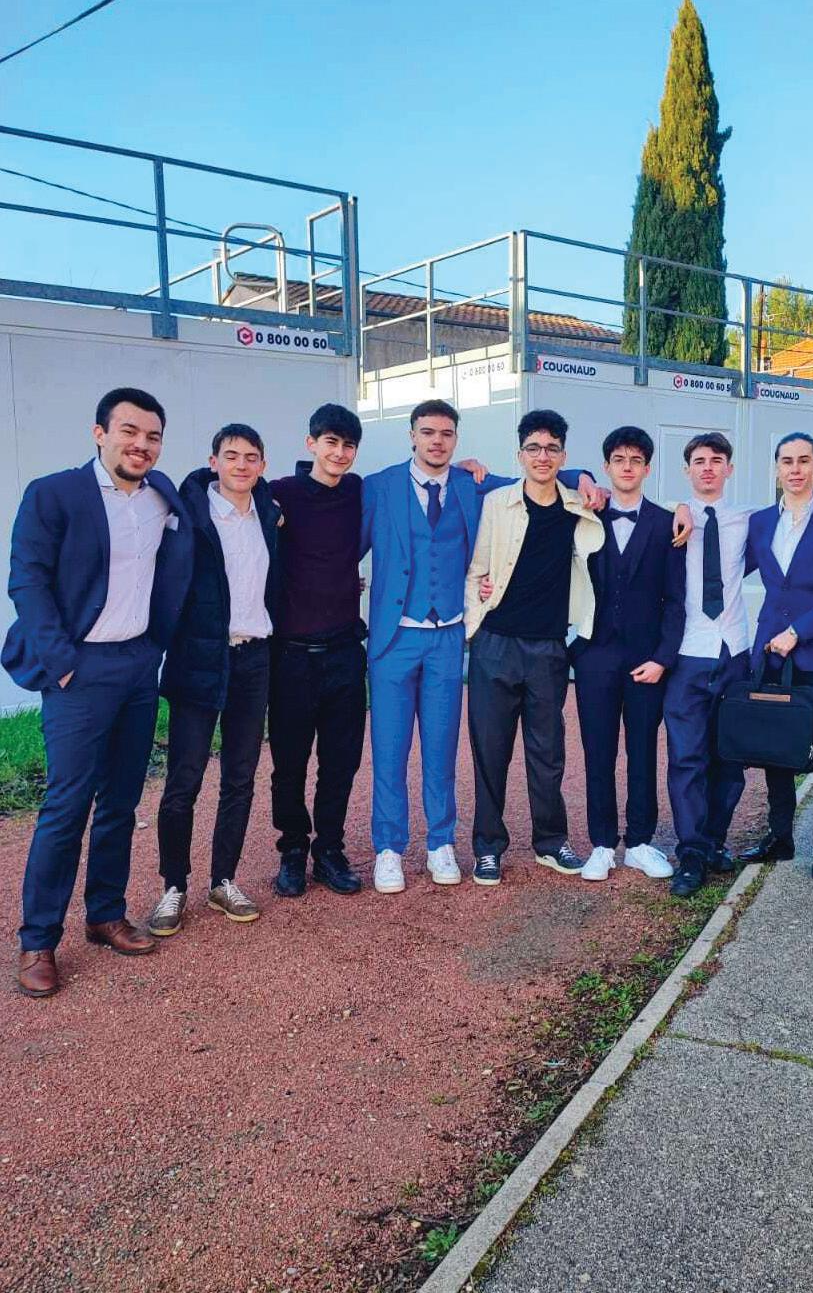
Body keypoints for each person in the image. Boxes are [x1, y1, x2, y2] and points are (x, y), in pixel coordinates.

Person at [361, 398, 600, 894]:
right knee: (389, 749)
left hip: (449, 637)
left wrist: (584, 475)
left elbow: (542, 475)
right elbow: (340, 538)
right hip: (395, 638)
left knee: (442, 750)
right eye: (428, 432)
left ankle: (441, 842)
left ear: (456, 438)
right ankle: (389, 848)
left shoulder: (475, 486)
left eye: (446, 433)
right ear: (412, 435)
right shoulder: (379, 486)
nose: (437, 441)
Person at [5, 388, 191, 998]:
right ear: (99, 433)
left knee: (122, 801)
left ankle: (105, 913)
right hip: (78, 671)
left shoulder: (163, 495)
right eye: (129, 431)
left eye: (152, 436)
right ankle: (39, 940)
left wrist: (156, 647)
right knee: (66, 805)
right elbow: (27, 581)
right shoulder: (54, 493)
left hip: (137, 665)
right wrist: (61, 665)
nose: (141, 444)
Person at [148, 424, 280, 936]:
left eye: (251, 457)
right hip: (199, 659)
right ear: (214, 462)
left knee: (240, 778)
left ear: (262, 465)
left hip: (254, 659)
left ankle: (223, 880)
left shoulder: (267, 513)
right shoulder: (189, 515)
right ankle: (173, 885)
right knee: (184, 779)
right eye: (231, 456)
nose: (241, 465)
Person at [464, 410, 605, 886]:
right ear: (520, 453)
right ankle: (488, 848)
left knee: (547, 753)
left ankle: (550, 841)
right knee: (490, 751)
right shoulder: (498, 501)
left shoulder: (579, 505)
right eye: (533, 448)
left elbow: (623, 500)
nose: (542, 457)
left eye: (551, 449)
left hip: (548, 649)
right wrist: (475, 623)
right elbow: (477, 569)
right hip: (495, 644)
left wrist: (584, 477)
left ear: (562, 455)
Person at [571, 426, 686, 882]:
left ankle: (639, 842)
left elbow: (675, 600)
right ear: (606, 466)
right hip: (594, 656)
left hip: (646, 660)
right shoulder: (585, 515)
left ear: (647, 468)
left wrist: (663, 658)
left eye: (636, 460)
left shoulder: (667, 522)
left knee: (643, 752)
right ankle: (601, 843)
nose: (627, 467)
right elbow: (546, 479)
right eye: (618, 459)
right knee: (597, 751)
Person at [740, 432, 813, 881]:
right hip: (771, 652)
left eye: (804, 460)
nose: (795, 469)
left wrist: (798, 632)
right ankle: (780, 837)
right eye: (787, 461)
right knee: (776, 748)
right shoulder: (760, 522)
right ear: (776, 468)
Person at [268, 404, 367, 898]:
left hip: (345, 650)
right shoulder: (280, 493)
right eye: (331, 442)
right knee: (289, 762)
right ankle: (292, 848)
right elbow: (216, 485)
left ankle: (329, 849)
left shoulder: (358, 491)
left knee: (341, 760)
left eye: (348, 445)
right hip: (291, 655)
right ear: (311, 444)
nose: (340, 453)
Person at [663, 433, 755, 899]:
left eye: (716, 460)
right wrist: (678, 506)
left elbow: (800, 524)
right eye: (699, 461)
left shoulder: (748, 522)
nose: (707, 468)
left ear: (729, 469)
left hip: (734, 651)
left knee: (731, 759)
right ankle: (692, 853)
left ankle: (715, 840)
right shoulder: (671, 519)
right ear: (687, 470)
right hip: (687, 653)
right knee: (686, 758)